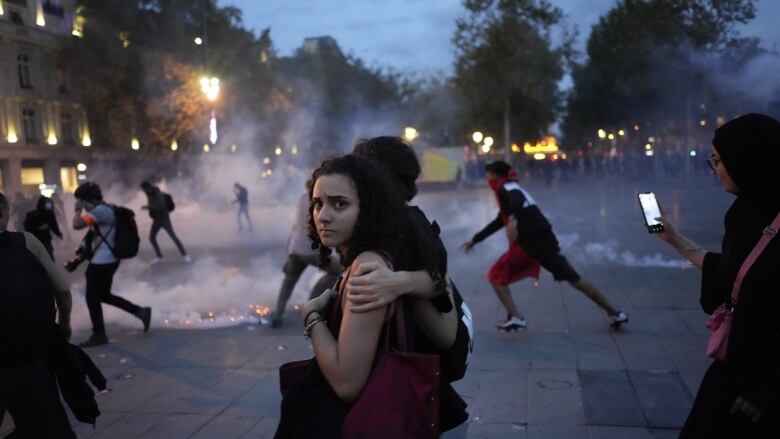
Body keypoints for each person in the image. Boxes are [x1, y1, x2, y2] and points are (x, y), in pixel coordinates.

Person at [275, 155, 454, 437]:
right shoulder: (363, 260)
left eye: (340, 204)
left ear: (367, 210)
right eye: (318, 203)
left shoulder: (367, 269)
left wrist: (310, 315)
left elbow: (347, 383)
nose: (323, 215)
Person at [655, 113, 780, 437]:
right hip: (735, 362)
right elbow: (732, 273)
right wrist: (675, 239)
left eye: (719, 160)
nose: (717, 170)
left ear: (749, 159)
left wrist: (767, 387)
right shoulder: (742, 212)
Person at [461, 160, 628, 331]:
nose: (487, 179)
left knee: (495, 275)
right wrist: (475, 240)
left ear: (496, 175)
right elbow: (498, 221)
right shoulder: (510, 189)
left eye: (488, 175)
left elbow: (515, 202)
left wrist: (512, 218)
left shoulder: (509, 189)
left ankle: (517, 318)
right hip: (544, 242)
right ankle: (614, 312)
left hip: (531, 245)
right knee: (575, 280)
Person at [0, 191, 76, 438]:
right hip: (32, 353)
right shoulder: (27, 242)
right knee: (46, 426)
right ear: (6, 212)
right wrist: (63, 325)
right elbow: (63, 291)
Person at [73, 181, 151, 347]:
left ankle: (99, 334)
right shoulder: (107, 209)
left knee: (92, 298)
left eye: (82, 201)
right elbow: (95, 235)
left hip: (101, 262)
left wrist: (77, 209)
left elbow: (76, 224)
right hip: (108, 261)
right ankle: (140, 312)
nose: (83, 206)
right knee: (104, 295)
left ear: (88, 199)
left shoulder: (100, 211)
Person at [270, 179, 342, 328]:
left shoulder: (302, 199)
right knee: (337, 271)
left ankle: (278, 313)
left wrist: (289, 253)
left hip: (296, 250)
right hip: (313, 251)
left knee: (289, 282)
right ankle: (311, 304)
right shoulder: (320, 203)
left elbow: (295, 227)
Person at [140, 181, 191, 264]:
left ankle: (185, 255)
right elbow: (153, 205)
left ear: (147, 188)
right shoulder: (149, 193)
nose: (143, 191)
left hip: (164, 218)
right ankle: (159, 257)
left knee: (173, 237)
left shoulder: (156, 192)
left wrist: (148, 207)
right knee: (152, 238)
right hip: (157, 219)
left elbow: (161, 205)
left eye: (143, 189)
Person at [24, 195, 63, 261]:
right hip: (36, 238)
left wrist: (58, 234)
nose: (49, 205)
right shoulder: (31, 215)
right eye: (48, 203)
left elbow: (53, 225)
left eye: (50, 203)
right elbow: (27, 227)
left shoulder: (50, 213)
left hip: (46, 238)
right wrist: (38, 228)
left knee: (49, 255)